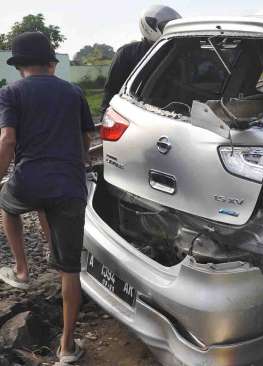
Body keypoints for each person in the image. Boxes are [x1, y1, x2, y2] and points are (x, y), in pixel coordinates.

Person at [0, 32, 95, 363]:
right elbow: (87, 137)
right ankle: (68, 348)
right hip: (70, 185)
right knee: (70, 270)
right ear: (50, 64)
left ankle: (22, 270)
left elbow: (8, 140)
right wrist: (81, 161)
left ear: (20, 66)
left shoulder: (11, 93)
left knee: (6, 202)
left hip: (28, 181)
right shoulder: (74, 91)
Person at [101, 5, 181, 112]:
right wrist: (106, 114)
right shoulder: (127, 53)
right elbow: (111, 90)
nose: (170, 30)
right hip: (136, 112)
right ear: (149, 25)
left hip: (172, 113)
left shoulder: (179, 52)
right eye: (165, 26)